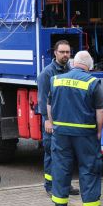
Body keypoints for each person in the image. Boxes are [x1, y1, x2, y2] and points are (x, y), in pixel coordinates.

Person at [47, 50, 103, 206]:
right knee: (89, 166)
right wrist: (99, 132)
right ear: (90, 66)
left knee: (61, 166)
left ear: (73, 63)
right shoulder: (93, 82)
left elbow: (49, 106)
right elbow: (100, 112)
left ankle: (59, 204)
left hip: (61, 133)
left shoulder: (56, 80)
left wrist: (53, 124)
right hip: (85, 134)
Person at [36, 40, 79, 197]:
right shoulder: (47, 74)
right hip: (52, 122)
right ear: (55, 53)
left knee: (66, 155)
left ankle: (65, 185)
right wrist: (47, 119)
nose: (66, 55)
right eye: (62, 52)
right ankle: (50, 185)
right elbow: (42, 98)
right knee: (51, 154)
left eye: (68, 52)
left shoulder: (70, 70)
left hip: (67, 120)